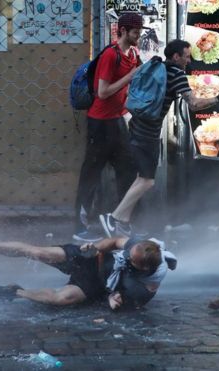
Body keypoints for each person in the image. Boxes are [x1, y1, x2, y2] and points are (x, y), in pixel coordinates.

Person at [98, 39, 219, 237]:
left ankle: (122, 222)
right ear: (176, 56)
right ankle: (115, 218)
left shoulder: (156, 66)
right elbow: (194, 104)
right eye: (186, 57)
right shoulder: (177, 74)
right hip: (149, 132)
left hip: (136, 125)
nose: (189, 61)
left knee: (142, 177)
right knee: (147, 180)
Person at [0, 235, 177, 310]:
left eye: (132, 260)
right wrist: (95, 247)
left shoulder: (152, 278)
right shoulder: (137, 244)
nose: (127, 257)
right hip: (93, 260)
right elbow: (113, 241)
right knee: (38, 252)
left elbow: (135, 300)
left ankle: (15, 291)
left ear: (144, 268)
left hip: (98, 283)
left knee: (61, 299)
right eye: (129, 254)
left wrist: (115, 299)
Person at [73, 13, 146, 243]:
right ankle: (81, 226)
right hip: (100, 123)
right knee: (91, 175)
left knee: (128, 172)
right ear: (123, 31)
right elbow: (103, 92)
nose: (139, 35)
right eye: (136, 32)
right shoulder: (109, 55)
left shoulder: (133, 53)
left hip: (117, 121)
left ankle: (121, 222)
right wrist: (131, 75)